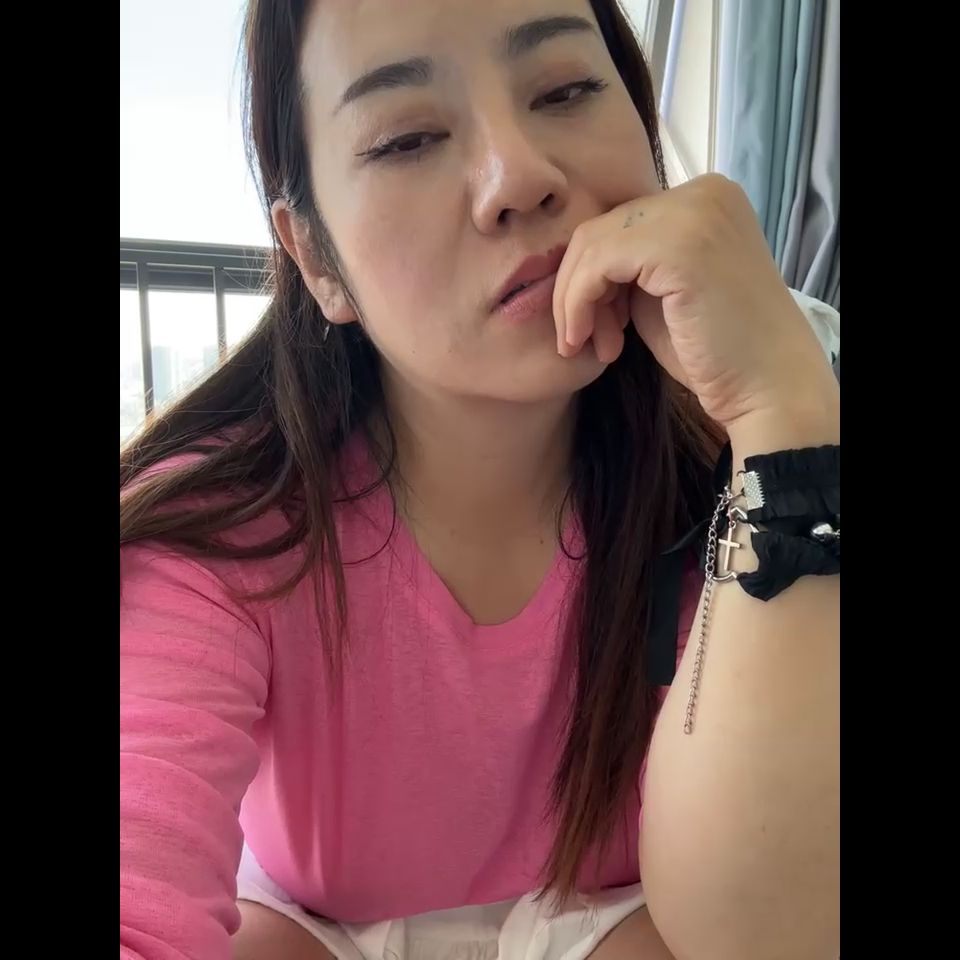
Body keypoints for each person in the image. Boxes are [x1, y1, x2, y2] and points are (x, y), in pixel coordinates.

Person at [119, 2, 840, 958]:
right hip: (311, 927)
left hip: (631, 911)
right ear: (316, 258)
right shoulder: (218, 529)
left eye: (566, 89)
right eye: (407, 138)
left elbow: (767, 936)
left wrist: (787, 424)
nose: (519, 177)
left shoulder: (731, 473)